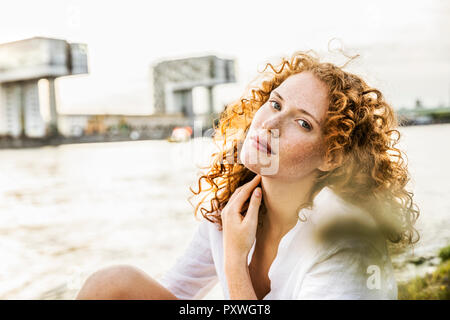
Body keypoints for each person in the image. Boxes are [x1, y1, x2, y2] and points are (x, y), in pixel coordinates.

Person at [76, 50, 420, 300]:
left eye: (302, 123)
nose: (269, 124)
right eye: (275, 104)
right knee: (112, 285)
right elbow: (176, 293)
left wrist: (234, 263)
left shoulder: (346, 244)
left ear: (330, 157)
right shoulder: (234, 207)